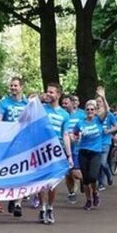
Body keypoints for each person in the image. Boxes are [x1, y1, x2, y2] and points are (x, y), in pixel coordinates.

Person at [39, 82, 73, 224]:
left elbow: (65, 135)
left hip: (56, 151)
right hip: (41, 149)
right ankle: (42, 208)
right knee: (41, 182)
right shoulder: (41, 109)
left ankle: (50, 208)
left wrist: (69, 155)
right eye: (47, 91)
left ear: (58, 95)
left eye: (52, 92)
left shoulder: (64, 115)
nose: (48, 94)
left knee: (53, 183)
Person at [73, 89, 109, 210]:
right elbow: (75, 134)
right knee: (86, 179)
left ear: (95, 111)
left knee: (93, 177)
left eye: (92, 109)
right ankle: (88, 200)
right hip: (83, 152)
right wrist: (75, 138)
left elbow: (107, 111)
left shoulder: (98, 120)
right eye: (88, 109)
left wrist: (103, 98)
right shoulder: (80, 123)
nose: (90, 111)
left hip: (95, 153)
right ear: (85, 111)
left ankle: (95, 193)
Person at [0, 77, 28, 215]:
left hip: (23, 142)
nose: (13, 88)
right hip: (8, 142)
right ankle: (12, 196)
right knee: (9, 172)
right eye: (11, 86)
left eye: (16, 85)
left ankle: (18, 204)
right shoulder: (5, 102)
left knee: (21, 171)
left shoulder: (28, 103)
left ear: (21, 87)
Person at [62, 95, 85, 204]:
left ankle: (83, 179)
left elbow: (85, 127)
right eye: (63, 103)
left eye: (66, 103)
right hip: (63, 147)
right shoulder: (62, 115)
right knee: (67, 173)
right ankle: (72, 193)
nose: (64, 105)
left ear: (72, 103)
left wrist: (78, 135)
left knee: (75, 172)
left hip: (77, 147)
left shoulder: (81, 114)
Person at [97, 96, 117, 191]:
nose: (98, 103)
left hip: (105, 141)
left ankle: (109, 174)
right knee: (97, 163)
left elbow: (116, 127)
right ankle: (101, 183)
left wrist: (109, 130)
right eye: (97, 101)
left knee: (102, 162)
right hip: (95, 142)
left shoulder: (109, 115)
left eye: (100, 101)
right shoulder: (94, 114)